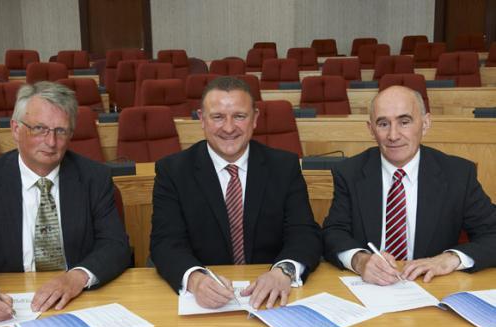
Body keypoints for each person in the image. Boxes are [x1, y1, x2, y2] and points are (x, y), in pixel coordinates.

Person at [0, 81, 131, 322]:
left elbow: (116, 246)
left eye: (61, 131)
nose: (51, 142)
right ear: (15, 129)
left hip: (78, 304)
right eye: (40, 129)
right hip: (7, 308)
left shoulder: (94, 178)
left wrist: (77, 277)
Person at [150, 76, 322, 309]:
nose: (229, 128)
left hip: (272, 300)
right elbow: (166, 242)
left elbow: (303, 233)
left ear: (255, 119)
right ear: (202, 119)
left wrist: (284, 271)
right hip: (203, 304)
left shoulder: (284, 166)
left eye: (239, 116)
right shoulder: (172, 171)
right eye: (218, 117)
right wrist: (196, 279)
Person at [323, 85, 496, 285]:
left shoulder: (457, 174)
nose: (393, 135)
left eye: (404, 122)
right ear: (371, 129)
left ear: (425, 123)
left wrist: (450, 259)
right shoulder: (349, 172)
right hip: (369, 288)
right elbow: (333, 232)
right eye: (383, 124)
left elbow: (492, 234)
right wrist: (360, 261)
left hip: (431, 287)